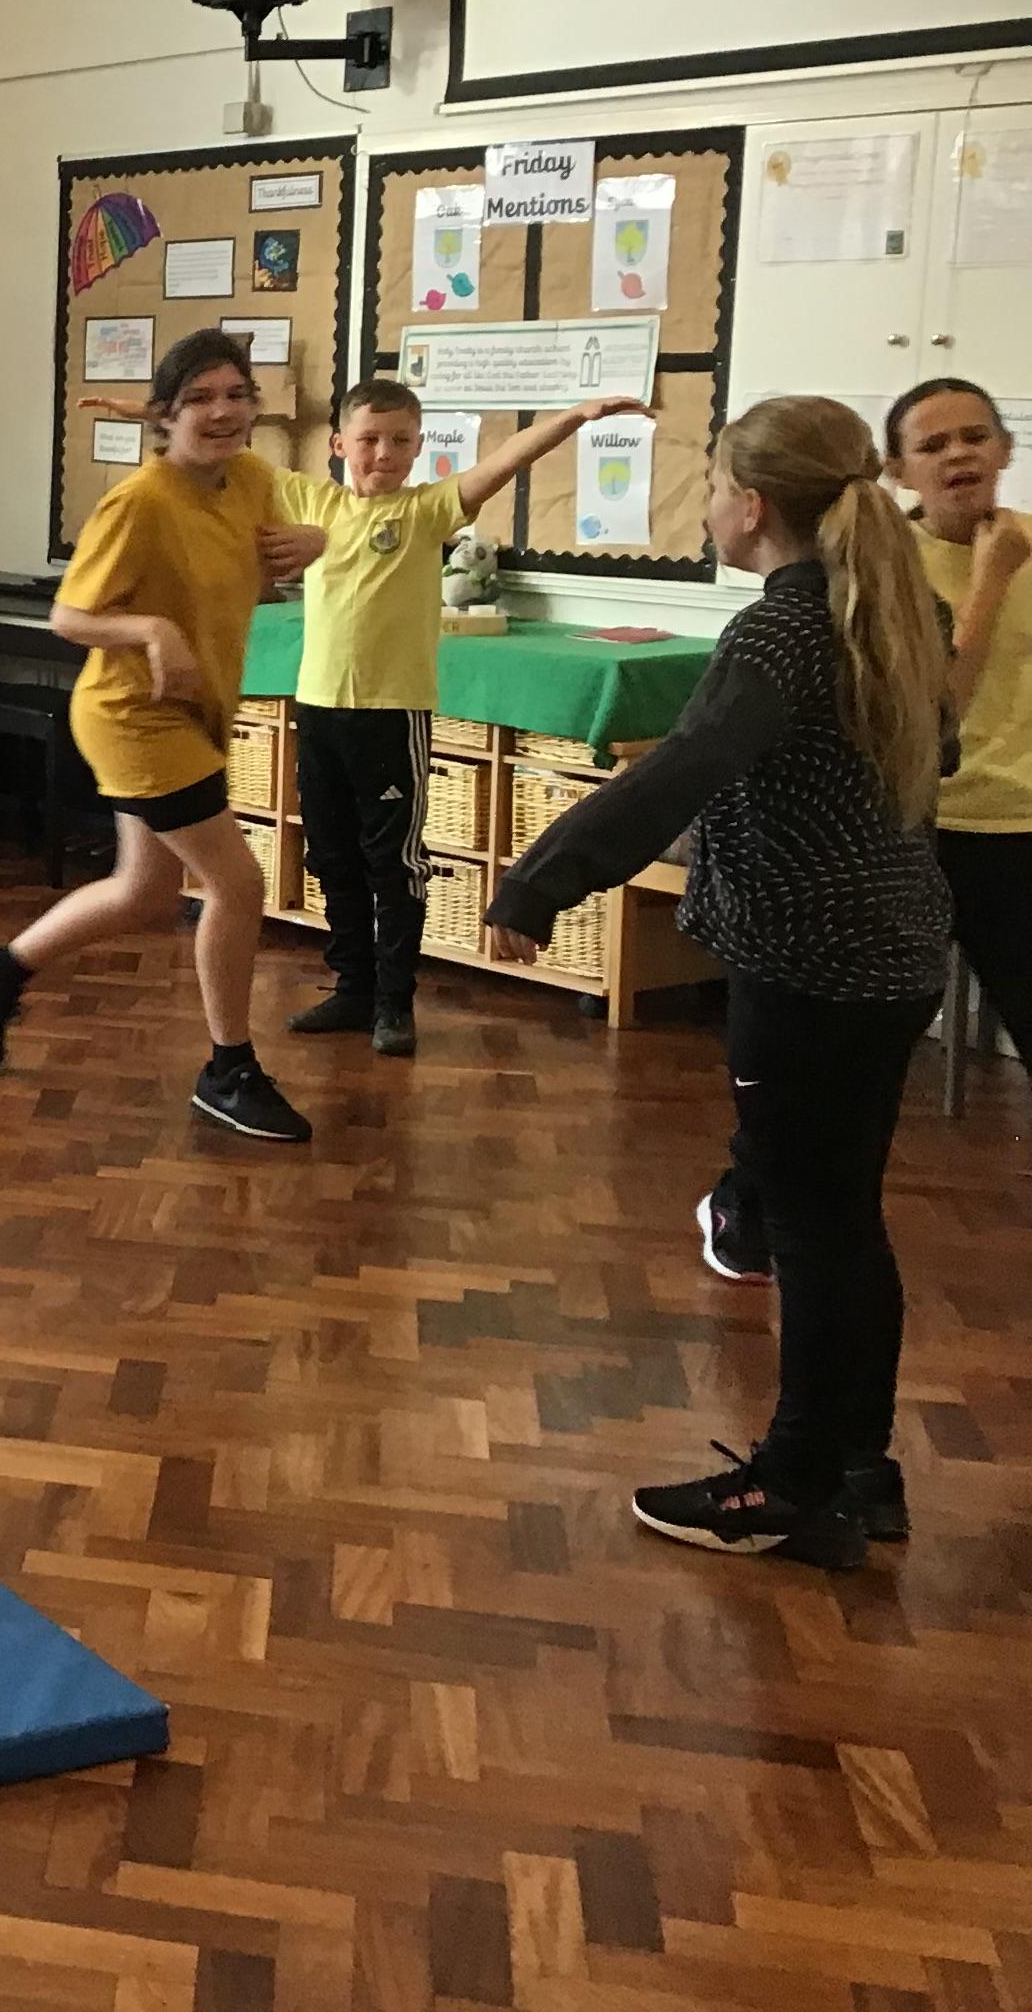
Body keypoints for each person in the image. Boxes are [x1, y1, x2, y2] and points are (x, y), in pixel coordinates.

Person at [487, 395, 951, 1569]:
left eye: (708, 486)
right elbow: (936, 750)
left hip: (809, 967)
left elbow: (684, 770)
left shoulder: (778, 630)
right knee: (844, 1218)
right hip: (895, 954)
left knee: (812, 1228)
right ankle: (858, 1466)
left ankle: (793, 1485)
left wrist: (538, 884)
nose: (704, 508)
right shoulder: (897, 607)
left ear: (751, 506)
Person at [0, 328, 326, 1140]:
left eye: (237, 395)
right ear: (167, 415)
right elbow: (69, 616)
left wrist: (314, 542)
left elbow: (279, 553)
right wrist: (151, 629)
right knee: (238, 885)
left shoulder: (252, 480)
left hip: (194, 712)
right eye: (201, 398)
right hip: (134, 718)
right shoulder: (140, 502)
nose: (223, 411)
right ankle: (228, 1070)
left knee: (145, 892)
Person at [271, 378, 651, 1056]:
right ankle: (353, 989)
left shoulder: (425, 512)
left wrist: (573, 416)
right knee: (331, 856)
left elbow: (504, 461)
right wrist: (157, 414)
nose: (383, 453)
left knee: (393, 862)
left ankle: (394, 1003)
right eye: (368, 440)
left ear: (418, 448)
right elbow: (230, 459)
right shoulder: (313, 504)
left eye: (399, 441)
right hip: (320, 709)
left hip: (391, 714)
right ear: (338, 445)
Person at [888, 377, 1032, 1087]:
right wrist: (991, 578)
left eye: (975, 437)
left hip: (1020, 827)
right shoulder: (884, 566)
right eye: (933, 445)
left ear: (1005, 450)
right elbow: (932, 711)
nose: (958, 455)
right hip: (917, 828)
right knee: (864, 1048)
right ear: (898, 471)